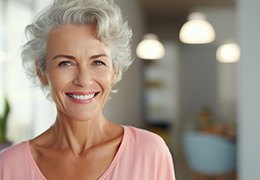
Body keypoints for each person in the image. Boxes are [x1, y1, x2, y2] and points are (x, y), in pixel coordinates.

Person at [0, 0, 175, 179]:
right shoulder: (8, 166)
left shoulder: (150, 152)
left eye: (98, 62)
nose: (83, 80)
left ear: (114, 71)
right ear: (41, 72)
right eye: (65, 63)